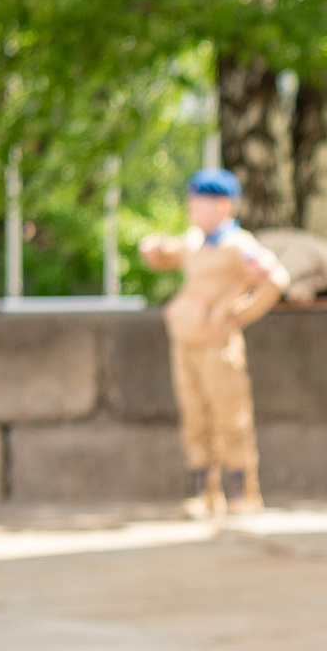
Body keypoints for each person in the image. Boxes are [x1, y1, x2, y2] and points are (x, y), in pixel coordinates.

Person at [139, 169, 288, 516]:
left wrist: (241, 314)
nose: (193, 211)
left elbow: (275, 278)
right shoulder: (194, 241)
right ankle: (204, 492)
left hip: (217, 344)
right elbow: (167, 256)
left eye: (200, 204)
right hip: (186, 340)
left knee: (229, 414)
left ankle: (242, 491)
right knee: (194, 415)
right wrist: (154, 249)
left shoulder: (238, 245)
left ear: (223, 206)